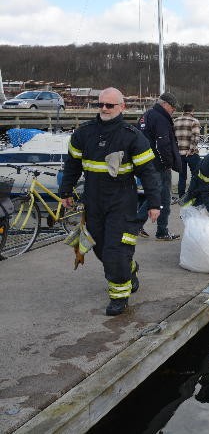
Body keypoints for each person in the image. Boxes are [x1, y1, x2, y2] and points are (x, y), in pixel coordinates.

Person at [59, 87, 161, 316]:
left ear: (122, 107)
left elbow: (148, 172)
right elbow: (72, 165)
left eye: (109, 105)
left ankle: (119, 297)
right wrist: (66, 191)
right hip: (93, 203)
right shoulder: (83, 134)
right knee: (101, 250)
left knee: (116, 252)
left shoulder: (132, 136)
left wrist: (155, 204)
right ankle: (130, 269)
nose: (104, 109)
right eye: (100, 104)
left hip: (121, 204)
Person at [137, 92, 181, 241]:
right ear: (165, 104)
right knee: (162, 197)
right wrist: (168, 163)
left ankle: (152, 228)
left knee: (156, 196)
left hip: (145, 162)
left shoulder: (146, 116)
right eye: (173, 108)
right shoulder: (161, 118)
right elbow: (163, 144)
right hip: (158, 165)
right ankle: (156, 229)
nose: (173, 111)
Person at [173, 103, 201, 201]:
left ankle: (181, 196)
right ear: (192, 111)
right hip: (190, 153)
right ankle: (193, 195)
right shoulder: (194, 121)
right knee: (196, 174)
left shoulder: (175, 121)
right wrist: (191, 149)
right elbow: (196, 137)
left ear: (183, 110)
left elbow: (173, 138)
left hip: (179, 153)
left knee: (182, 176)